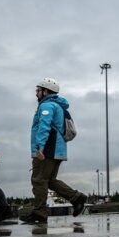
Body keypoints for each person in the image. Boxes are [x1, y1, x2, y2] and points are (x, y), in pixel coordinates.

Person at [21, 78, 86, 224]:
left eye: (38, 90)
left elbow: (44, 126)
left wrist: (40, 147)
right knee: (49, 180)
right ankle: (77, 198)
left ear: (45, 91)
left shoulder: (47, 106)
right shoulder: (58, 105)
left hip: (48, 149)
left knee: (38, 180)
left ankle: (39, 213)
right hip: (57, 149)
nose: (36, 93)